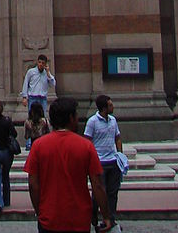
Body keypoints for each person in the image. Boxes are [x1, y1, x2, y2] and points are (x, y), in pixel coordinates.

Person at [24, 97, 113, 233]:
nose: (78, 119)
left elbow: (33, 183)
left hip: (49, 218)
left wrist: (39, 211)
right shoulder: (86, 146)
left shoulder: (38, 146)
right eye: (76, 115)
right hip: (78, 218)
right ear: (71, 118)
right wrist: (106, 215)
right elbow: (97, 184)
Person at [84, 96, 123, 229]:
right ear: (104, 108)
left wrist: (120, 154)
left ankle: (111, 219)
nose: (113, 107)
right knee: (98, 193)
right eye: (111, 105)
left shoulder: (113, 121)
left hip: (113, 161)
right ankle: (93, 213)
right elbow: (87, 141)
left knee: (112, 192)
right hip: (99, 162)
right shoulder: (92, 122)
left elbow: (118, 137)